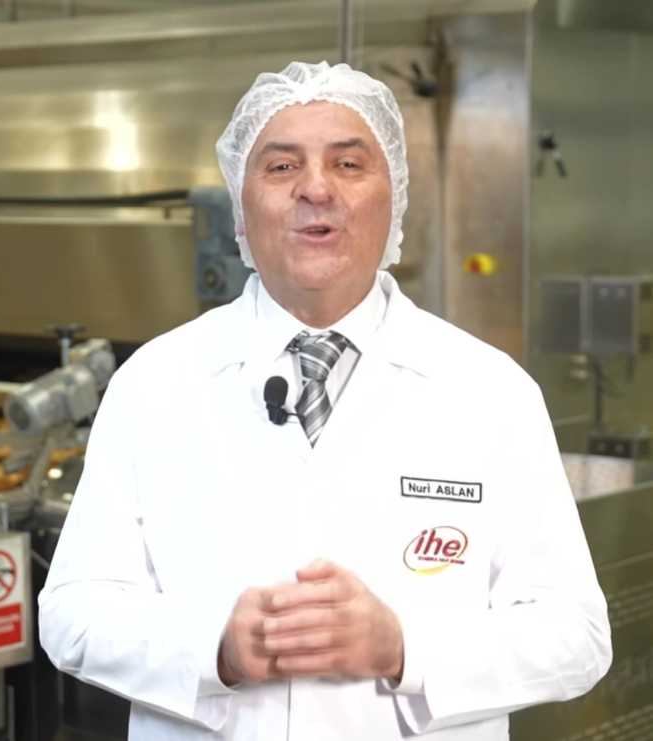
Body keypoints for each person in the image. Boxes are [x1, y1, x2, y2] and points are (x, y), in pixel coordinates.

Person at [38, 61, 612, 741]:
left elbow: (576, 636)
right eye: (281, 166)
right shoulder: (154, 383)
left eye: (347, 163)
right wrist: (212, 647)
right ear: (240, 209)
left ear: (393, 198)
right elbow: (71, 613)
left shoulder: (491, 392)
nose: (315, 188)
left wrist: (405, 647)